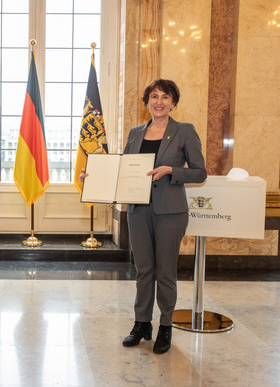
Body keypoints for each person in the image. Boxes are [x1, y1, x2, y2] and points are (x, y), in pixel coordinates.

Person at [81, 79, 206, 354]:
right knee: (143, 270)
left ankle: (165, 326)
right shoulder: (135, 133)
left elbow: (200, 172)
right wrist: (94, 177)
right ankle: (142, 324)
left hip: (170, 212)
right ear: (147, 102)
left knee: (166, 272)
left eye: (165, 96)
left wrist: (171, 170)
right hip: (137, 211)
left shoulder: (184, 131)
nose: (158, 101)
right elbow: (123, 171)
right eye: (153, 96)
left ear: (173, 102)